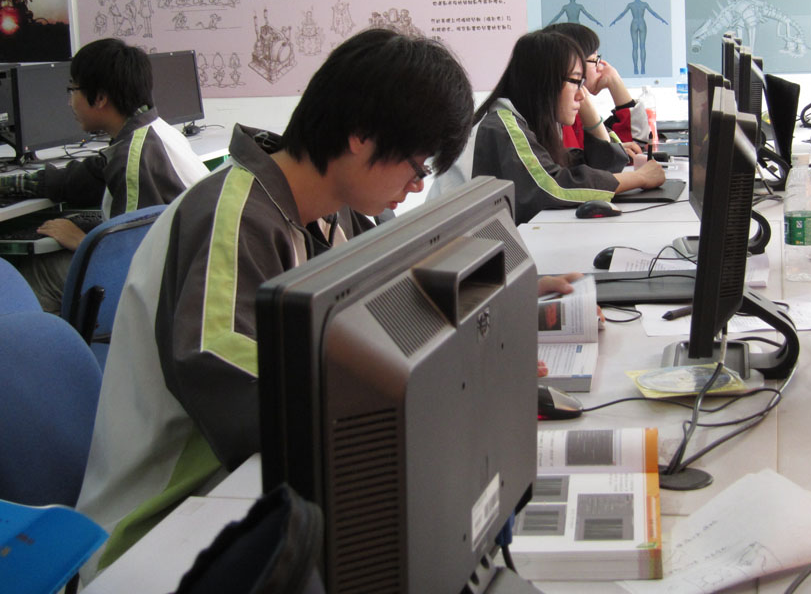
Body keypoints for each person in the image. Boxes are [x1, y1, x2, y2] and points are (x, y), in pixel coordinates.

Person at [73, 29, 476, 581]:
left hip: (248, 494)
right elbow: (223, 367)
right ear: (361, 135)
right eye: (417, 164)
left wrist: (473, 301)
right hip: (164, 526)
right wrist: (401, 410)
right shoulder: (232, 214)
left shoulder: (334, 211)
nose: (414, 185)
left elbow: (388, 301)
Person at [0, 38, 209, 312]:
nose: (70, 102)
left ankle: (59, 340)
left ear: (99, 98)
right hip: (191, 270)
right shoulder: (151, 133)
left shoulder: (133, 159)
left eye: (73, 90)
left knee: (38, 271)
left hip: (171, 283)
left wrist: (81, 240)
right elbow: (73, 180)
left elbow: (131, 257)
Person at [428, 30, 665, 224]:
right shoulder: (501, 125)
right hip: (453, 250)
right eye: (575, 82)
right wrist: (640, 178)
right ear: (544, 82)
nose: (581, 95)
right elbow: (551, 186)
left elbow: (573, 165)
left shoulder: (525, 123)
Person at [544, 22, 648, 154]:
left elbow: (635, 147)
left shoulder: (573, 113)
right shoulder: (562, 115)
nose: (600, 67)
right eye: (595, 60)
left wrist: (615, 82)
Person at [609, 0, 669, 75]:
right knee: (642, 46)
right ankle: (642, 67)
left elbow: (622, 14)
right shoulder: (644, 4)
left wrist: (614, 21)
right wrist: (662, 19)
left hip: (634, 23)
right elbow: (653, 13)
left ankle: (636, 68)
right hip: (641, 23)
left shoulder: (631, 5)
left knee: (635, 47)